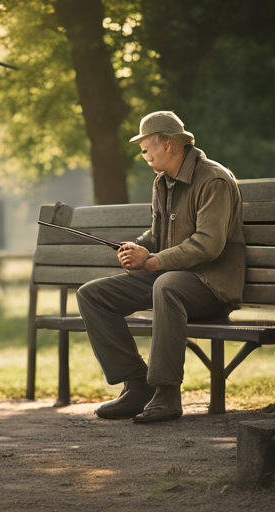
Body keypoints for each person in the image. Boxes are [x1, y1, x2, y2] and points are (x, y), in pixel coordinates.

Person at [76, 111, 246, 423]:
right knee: (93, 295)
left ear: (167, 143)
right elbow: (156, 235)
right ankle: (137, 385)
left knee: (165, 286)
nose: (144, 156)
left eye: (145, 149)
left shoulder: (214, 180)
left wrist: (153, 262)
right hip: (170, 279)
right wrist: (139, 248)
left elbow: (209, 244)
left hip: (212, 288)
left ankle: (167, 394)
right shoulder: (162, 182)